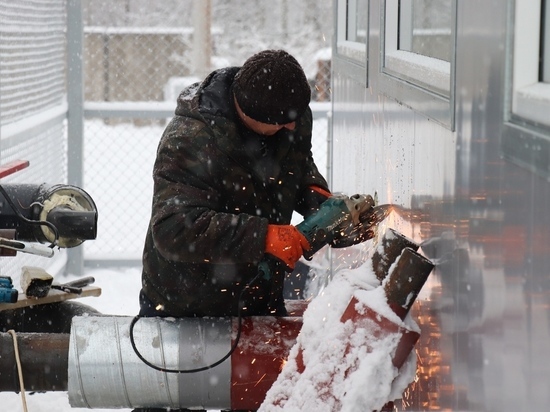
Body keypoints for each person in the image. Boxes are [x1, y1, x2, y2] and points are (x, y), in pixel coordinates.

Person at [134, 50, 371, 412]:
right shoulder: (191, 138)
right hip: (184, 299)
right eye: (282, 123)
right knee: (169, 399)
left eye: (296, 119)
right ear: (250, 114)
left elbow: (296, 162)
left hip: (256, 293)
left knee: (263, 393)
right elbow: (173, 229)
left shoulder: (287, 112)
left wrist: (316, 198)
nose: (293, 127)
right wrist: (266, 237)